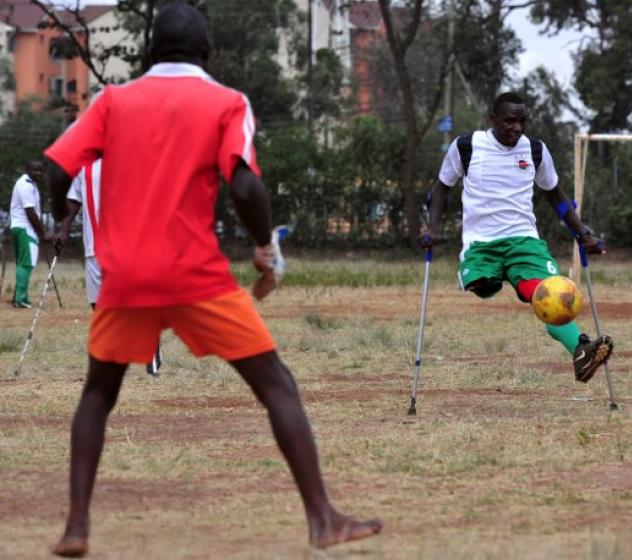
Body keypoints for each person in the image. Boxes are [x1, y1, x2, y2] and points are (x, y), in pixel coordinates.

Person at [43, 4, 381, 557]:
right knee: (277, 386)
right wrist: (265, 250)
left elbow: (59, 170)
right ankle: (323, 519)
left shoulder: (112, 102)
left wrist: (61, 217)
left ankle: (76, 526)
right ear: (208, 51)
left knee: (97, 395)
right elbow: (245, 188)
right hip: (196, 275)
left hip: (124, 278)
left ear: (151, 50)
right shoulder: (227, 103)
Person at [425, 92, 613, 383]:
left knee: (548, 295)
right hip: (481, 244)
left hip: (523, 242)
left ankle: (581, 351)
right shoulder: (467, 146)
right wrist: (432, 229)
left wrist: (582, 233)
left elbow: (557, 198)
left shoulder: (535, 150)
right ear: (493, 119)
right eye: (510, 121)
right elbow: (440, 189)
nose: (517, 128)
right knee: (483, 286)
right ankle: (496, 275)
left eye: (522, 121)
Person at [55, 160, 163, 376]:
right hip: (93, 246)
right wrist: (63, 229)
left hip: (125, 245)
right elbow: (74, 200)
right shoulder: (82, 165)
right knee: (98, 303)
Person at [8, 159, 52, 308]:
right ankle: (19, 299)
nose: (38, 173)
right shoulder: (25, 185)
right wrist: (43, 233)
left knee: (23, 263)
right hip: (25, 228)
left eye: (40, 170)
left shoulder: (29, 184)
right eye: (35, 170)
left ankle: (22, 296)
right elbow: (30, 212)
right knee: (27, 263)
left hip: (21, 227)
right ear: (27, 169)